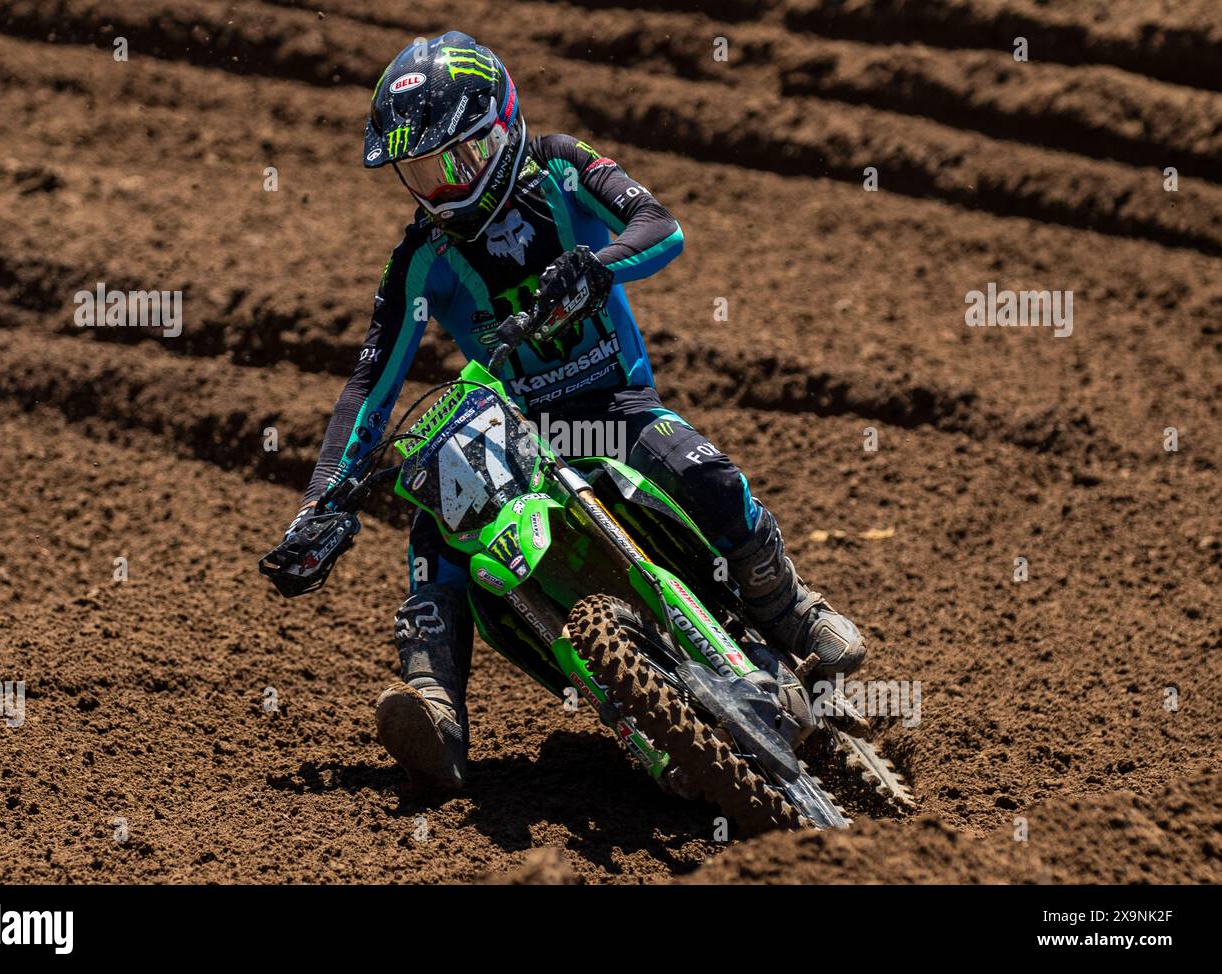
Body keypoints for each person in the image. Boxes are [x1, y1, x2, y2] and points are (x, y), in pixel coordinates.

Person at [275, 32, 865, 792]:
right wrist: (323, 503)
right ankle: (436, 708)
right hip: (515, 433)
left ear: (498, 133)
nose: (439, 190)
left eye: (453, 162)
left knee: (701, 469)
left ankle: (789, 608)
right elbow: (370, 386)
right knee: (435, 512)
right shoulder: (420, 256)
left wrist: (595, 265)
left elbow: (661, 226)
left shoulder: (558, 164)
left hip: (611, 402)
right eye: (419, 172)